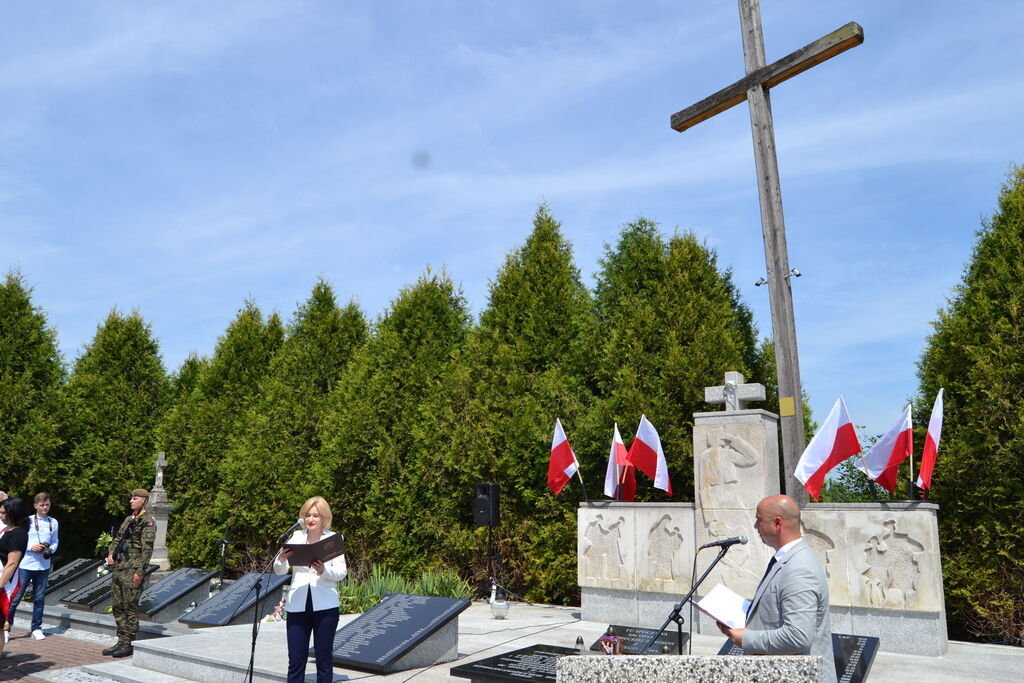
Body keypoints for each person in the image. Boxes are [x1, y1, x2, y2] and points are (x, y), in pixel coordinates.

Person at [718, 495, 837, 683]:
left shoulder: (799, 568)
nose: (756, 526)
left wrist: (746, 638)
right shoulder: (786, 560)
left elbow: (798, 636)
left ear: (778, 523)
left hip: (800, 676)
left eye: (759, 519)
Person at [273, 496, 347, 683]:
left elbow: (341, 572)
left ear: (324, 519)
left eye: (316, 515)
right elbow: (279, 570)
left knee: (323, 657)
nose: (311, 519)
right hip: (298, 604)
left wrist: (324, 570)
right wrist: (281, 559)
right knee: (296, 659)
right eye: (308, 515)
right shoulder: (296, 537)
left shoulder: (333, 539)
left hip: (325, 606)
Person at [101, 489, 156, 659]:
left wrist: (140, 572)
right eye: (131, 498)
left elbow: (147, 550)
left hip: (133, 570)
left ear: (145, 500)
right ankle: (121, 639)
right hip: (119, 568)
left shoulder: (148, 522)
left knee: (130, 606)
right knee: (118, 606)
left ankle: (128, 643)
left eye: (135, 498)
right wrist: (111, 553)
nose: (131, 500)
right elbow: (117, 539)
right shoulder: (128, 519)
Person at [9, 492, 60, 640]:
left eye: (47, 505)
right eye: (42, 505)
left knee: (39, 598)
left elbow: (55, 541)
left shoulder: (53, 522)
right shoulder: (27, 521)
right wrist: (32, 547)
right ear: (35, 505)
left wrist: (50, 550)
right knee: (16, 598)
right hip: (25, 565)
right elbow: (18, 540)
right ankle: (7, 627)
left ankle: (36, 628)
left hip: (43, 566)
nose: (45, 508)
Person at [0, 497, 30, 657]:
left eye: (4, 513)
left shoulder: (18, 534)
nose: (0, 516)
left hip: (4, 583)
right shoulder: (8, 530)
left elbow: (12, 563)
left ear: (13, 514)